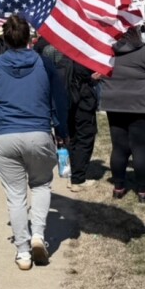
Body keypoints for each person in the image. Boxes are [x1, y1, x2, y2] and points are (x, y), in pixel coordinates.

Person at [0, 15, 68, 270]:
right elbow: (59, 98)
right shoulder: (44, 63)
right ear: (29, 37)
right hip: (38, 133)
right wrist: (62, 130)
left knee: (16, 196)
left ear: (4, 39)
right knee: (40, 185)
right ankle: (38, 235)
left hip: (6, 136)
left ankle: (23, 251)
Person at [99, 27, 145, 203]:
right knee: (140, 149)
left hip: (115, 105)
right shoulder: (143, 52)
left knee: (119, 147)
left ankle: (118, 187)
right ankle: (144, 190)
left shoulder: (107, 53)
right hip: (141, 106)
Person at [40, 42, 99, 193]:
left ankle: (72, 174)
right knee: (84, 138)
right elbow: (86, 78)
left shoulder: (62, 61)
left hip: (67, 103)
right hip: (83, 103)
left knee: (71, 138)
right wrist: (93, 79)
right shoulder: (83, 59)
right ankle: (77, 180)